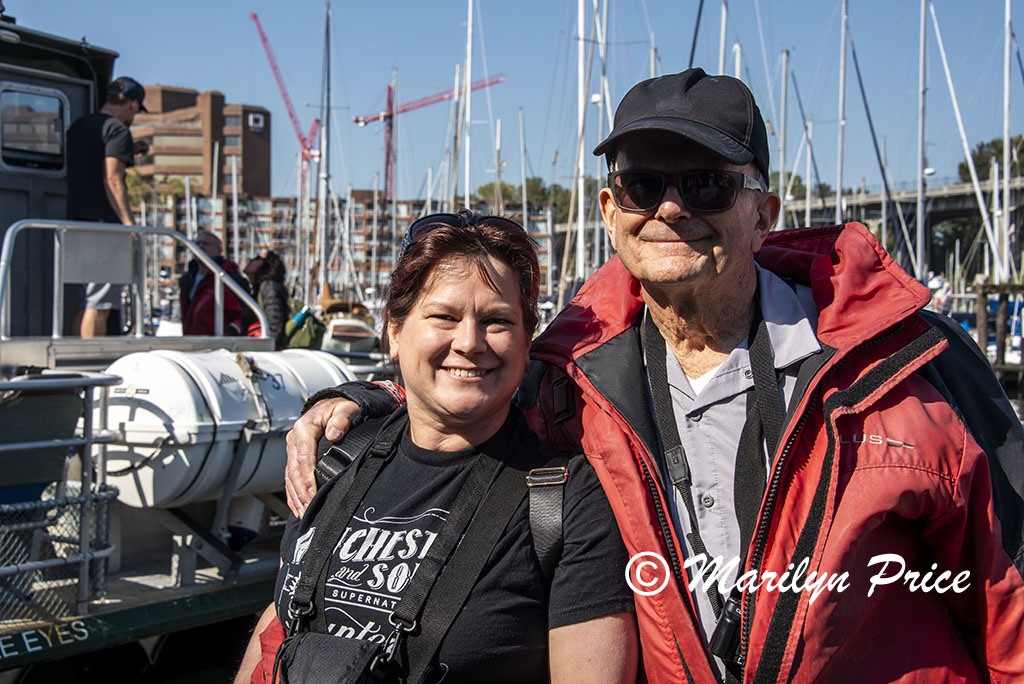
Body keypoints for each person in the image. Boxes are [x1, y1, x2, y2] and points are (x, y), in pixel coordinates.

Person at [285, 69, 1024, 683]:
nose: (671, 208)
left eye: (706, 184)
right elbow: (462, 394)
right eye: (643, 186)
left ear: (763, 211)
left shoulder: (908, 364)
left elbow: (1010, 595)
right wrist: (360, 398)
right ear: (610, 211)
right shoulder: (573, 375)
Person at [236, 212, 638, 684]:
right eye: (444, 317)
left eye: (497, 321)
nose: (469, 342)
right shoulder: (338, 457)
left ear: (527, 341)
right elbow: (281, 620)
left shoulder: (570, 502)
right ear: (394, 330)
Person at [66, 76, 150, 337]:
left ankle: (75, 362)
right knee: (100, 304)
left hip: (75, 221)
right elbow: (112, 178)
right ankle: (93, 368)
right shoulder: (117, 130)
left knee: (86, 301)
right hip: (103, 226)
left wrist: (130, 151)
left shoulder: (78, 127)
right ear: (133, 104)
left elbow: (92, 160)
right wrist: (128, 224)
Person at [179, 230, 244, 335]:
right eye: (197, 243)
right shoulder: (187, 279)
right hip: (193, 342)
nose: (200, 247)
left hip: (217, 345)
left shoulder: (228, 277)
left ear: (219, 250)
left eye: (206, 244)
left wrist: (229, 332)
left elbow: (243, 314)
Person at [243, 250, 290, 349]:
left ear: (264, 264)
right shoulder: (260, 287)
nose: (250, 260)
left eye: (256, 258)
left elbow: (275, 322)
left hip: (268, 348)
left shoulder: (269, 286)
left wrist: (267, 347)